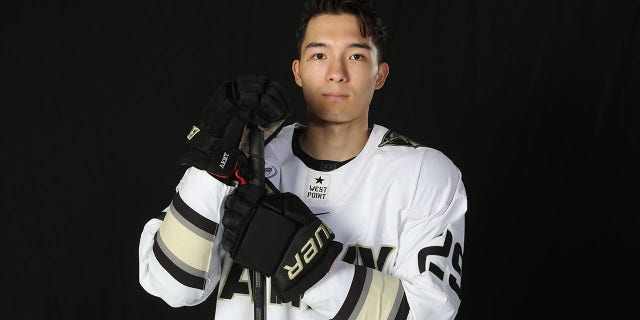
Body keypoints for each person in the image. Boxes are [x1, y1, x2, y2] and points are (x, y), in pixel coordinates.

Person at [138, 0, 467, 319]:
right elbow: (172, 287)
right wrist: (215, 166)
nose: (336, 73)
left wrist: (309, 268)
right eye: (319, 54)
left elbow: (430, 312)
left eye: (355, 55)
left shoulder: (424, 173)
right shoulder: (248, 156)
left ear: (379, 75)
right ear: (298, 71)